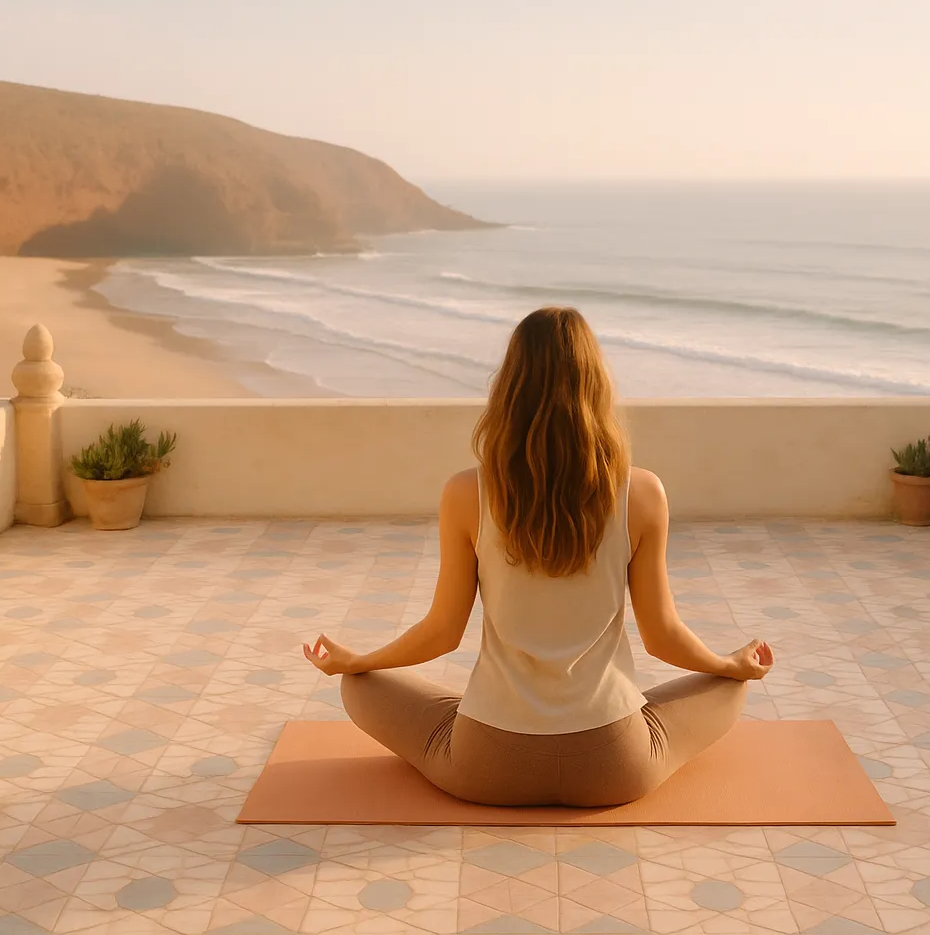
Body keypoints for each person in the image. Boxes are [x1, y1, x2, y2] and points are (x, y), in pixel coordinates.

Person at [302, 306, 773, 807]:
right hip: (614, 764)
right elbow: (662, 637)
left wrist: (360, 661)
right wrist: (729, 664)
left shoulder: (467, 493)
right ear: (597, 387)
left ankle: (464, 709)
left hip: (486, 765)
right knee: (729, 688)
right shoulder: (642, 492)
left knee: (360, 687)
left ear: (509, 388)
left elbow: (442, 631)